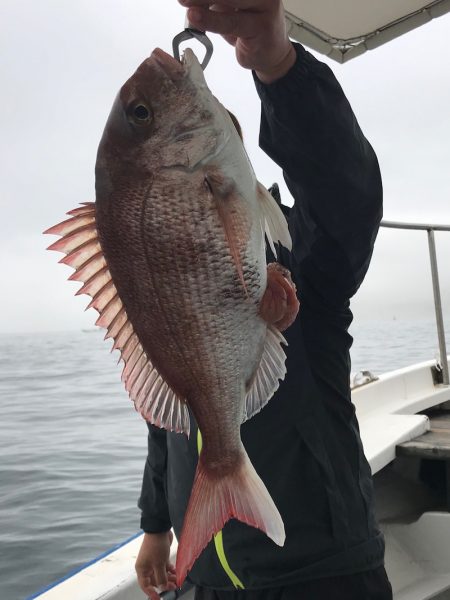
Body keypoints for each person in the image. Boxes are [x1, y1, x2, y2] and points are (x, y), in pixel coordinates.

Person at [135, 1, 391, 598]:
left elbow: (348, 196)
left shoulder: (306, 255)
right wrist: (154, 524)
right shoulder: (160, 281)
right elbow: (167, 403)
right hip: (204, 576)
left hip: (322, 572)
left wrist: (277, 65)